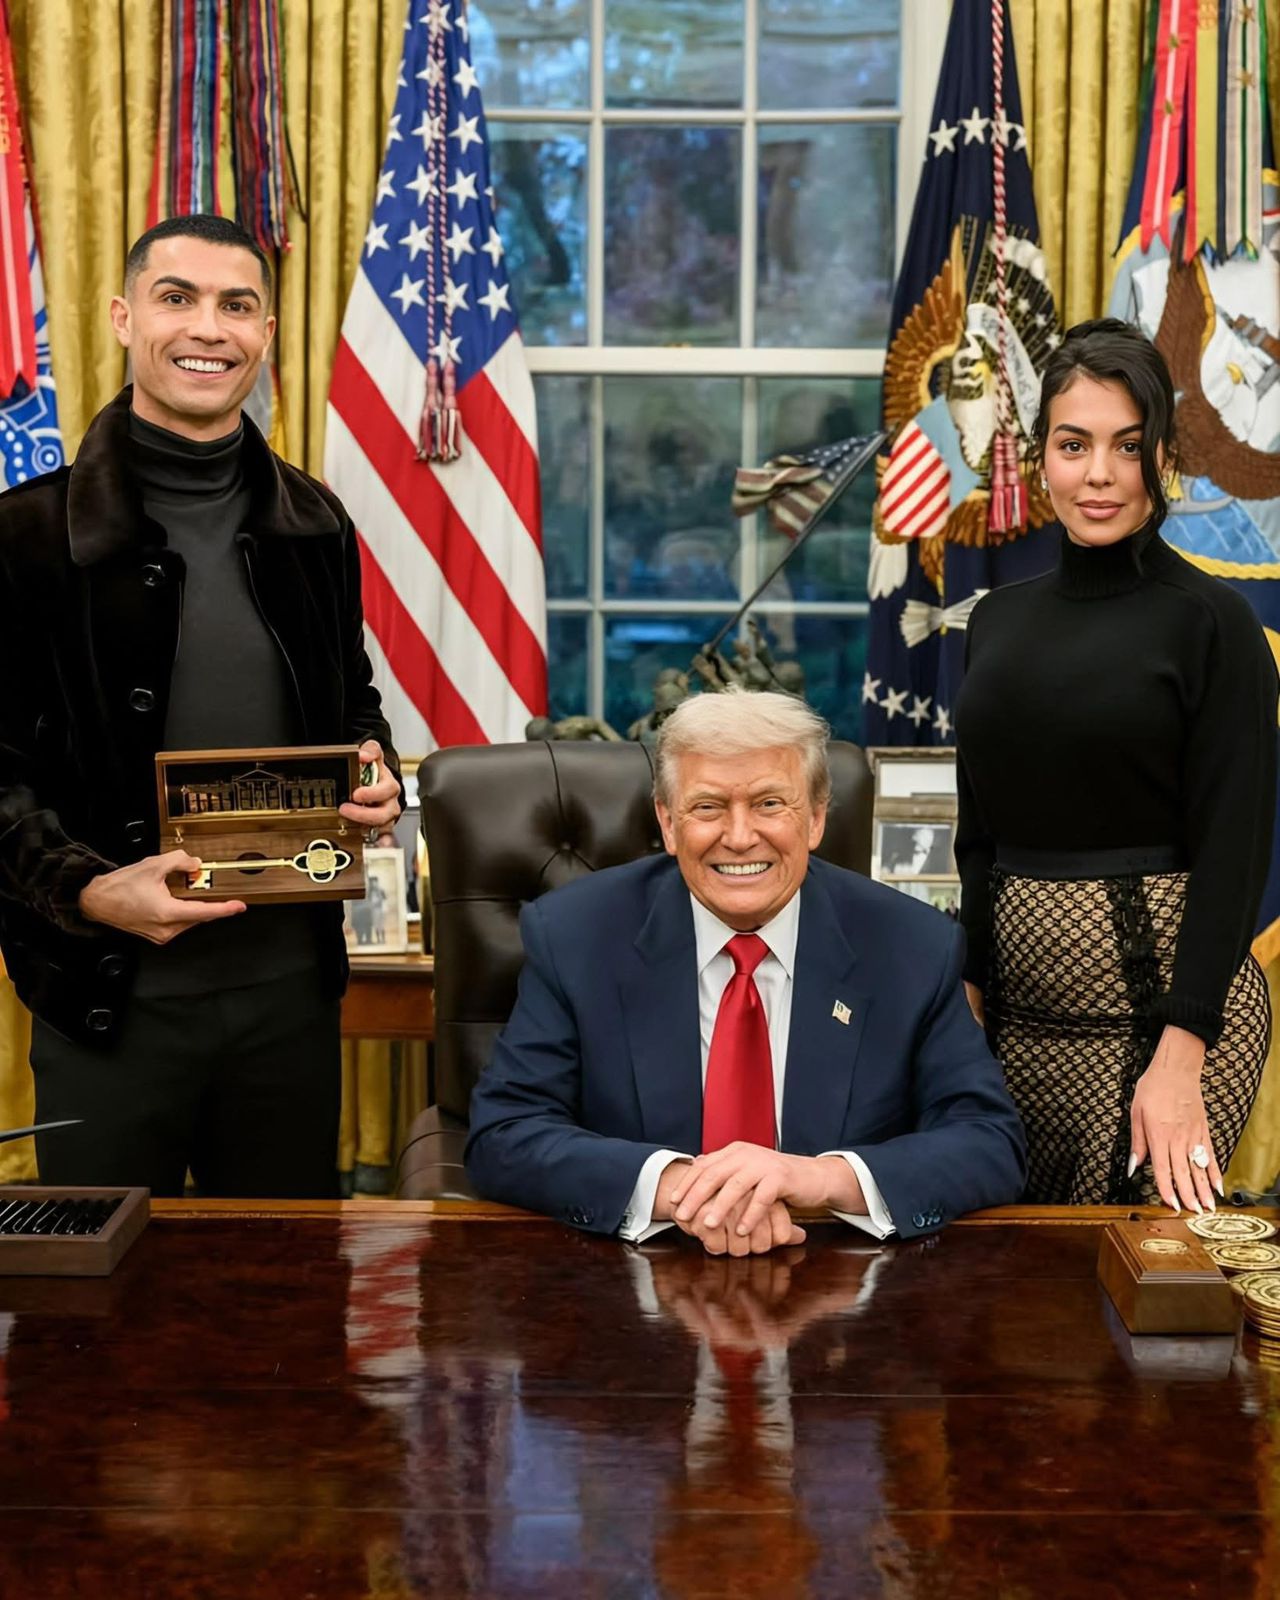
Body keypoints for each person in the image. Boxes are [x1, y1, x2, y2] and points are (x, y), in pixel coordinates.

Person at [0, 214, 402, 1197]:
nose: (207, 328)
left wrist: (374, 770)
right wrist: (88, 891)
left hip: (289, 1003)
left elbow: (352, 701)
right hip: (106, 999)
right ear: (123, 317)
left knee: (283, 1284)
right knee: (104, 1284)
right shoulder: (26, 535)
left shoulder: (314, 523)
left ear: (266, 333)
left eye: (236, 305)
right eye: (176, 298)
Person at [466, 688, 1026, 1254]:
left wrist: (820, 1178)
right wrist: (678, 1188)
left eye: (769, 804)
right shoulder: (576, 935)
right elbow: (505, 1131)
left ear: (815, 818)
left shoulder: (910, 946)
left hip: (838, 1276)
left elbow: (988, 1141)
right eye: (708, 807)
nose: (739, 837)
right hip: (632, 1271)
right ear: (668, 822)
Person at [954, 318, 1277, 1213]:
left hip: (1173, 1027)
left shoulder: (1215, 624)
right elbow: (977, 841)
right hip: (1008, 1029)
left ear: (1164, 457)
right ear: (1040, 458)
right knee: (1002, 1281)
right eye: (1074, 445)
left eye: (1128, 447)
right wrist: (964, 1003)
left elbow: (1237, 851)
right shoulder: (994, 622)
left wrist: (1182, 1053)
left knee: (1136, 1278)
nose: (1099, 474)